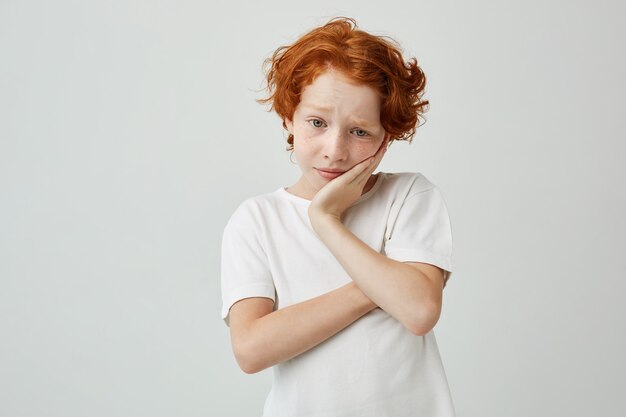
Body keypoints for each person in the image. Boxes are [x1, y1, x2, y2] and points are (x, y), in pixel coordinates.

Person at [220, 16, 456, 417]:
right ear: (288, 121)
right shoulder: (257, 220)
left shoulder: (409, 196)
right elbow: (251, 349)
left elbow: (418, 311)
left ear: (386, 137)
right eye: (317, 123)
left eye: (360, 131)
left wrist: (326, 220)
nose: (335, 149)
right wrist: (379, 288)